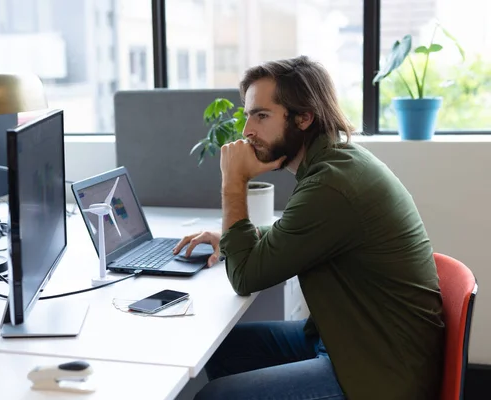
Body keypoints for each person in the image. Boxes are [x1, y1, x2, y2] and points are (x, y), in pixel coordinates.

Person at [172, 56, 444, 400]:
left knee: (216, 396)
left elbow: (245, 277)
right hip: (349, 339)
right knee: (226, 350)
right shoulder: (335, 164)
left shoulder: (331, 185)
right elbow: (299, 234)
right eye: (248, 115)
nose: (246, 132)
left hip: (378, 371)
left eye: (261, 115)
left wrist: (233, 182)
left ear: (303, 118)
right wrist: (232, 238)